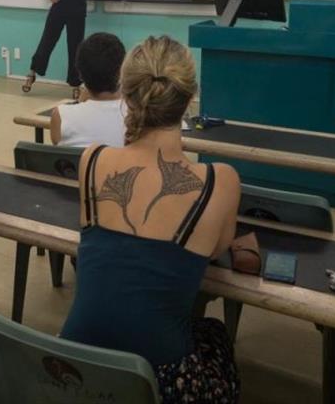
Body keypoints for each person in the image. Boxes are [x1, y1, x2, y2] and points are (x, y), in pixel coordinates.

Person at [60, 35, 241, 404]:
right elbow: (217, 248)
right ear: (190, 101)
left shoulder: (92, 160)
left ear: (126, 95)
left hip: (75, 365)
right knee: (216, 334)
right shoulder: (221, 181)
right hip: (155, 382)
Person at [23, 0, 153, 100]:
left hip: (77, 14)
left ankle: (75, 84)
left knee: (75, 48)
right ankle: (32, 73)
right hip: (58, 11)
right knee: (46, 43)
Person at [50, 32, 126, 148]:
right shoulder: (135, 117)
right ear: (122, 71)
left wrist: (80, 102)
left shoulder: (61, 116)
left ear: (80, 74)